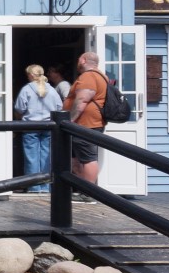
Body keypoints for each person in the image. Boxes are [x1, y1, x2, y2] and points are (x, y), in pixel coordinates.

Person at [62, 52, 106, 204]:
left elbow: (82, 100)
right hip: (87, 124)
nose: (77, 62)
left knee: (88, 158)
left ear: (83, 60)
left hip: (85, 124)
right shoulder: (99, 75)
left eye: (79, 59)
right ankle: (83, 189)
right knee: (77, 158)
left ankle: (88, 194)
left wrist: (70, 120)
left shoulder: (89, 76)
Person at [14, 64, 62, 193]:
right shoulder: (52, 90)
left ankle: (33, 187)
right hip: (48, 126)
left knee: (31, 157)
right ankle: (45, 187)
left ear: (30, 75)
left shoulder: (26, 90)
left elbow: (19, 108)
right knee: (46, 157)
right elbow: (59, 107)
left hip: (30, 126)